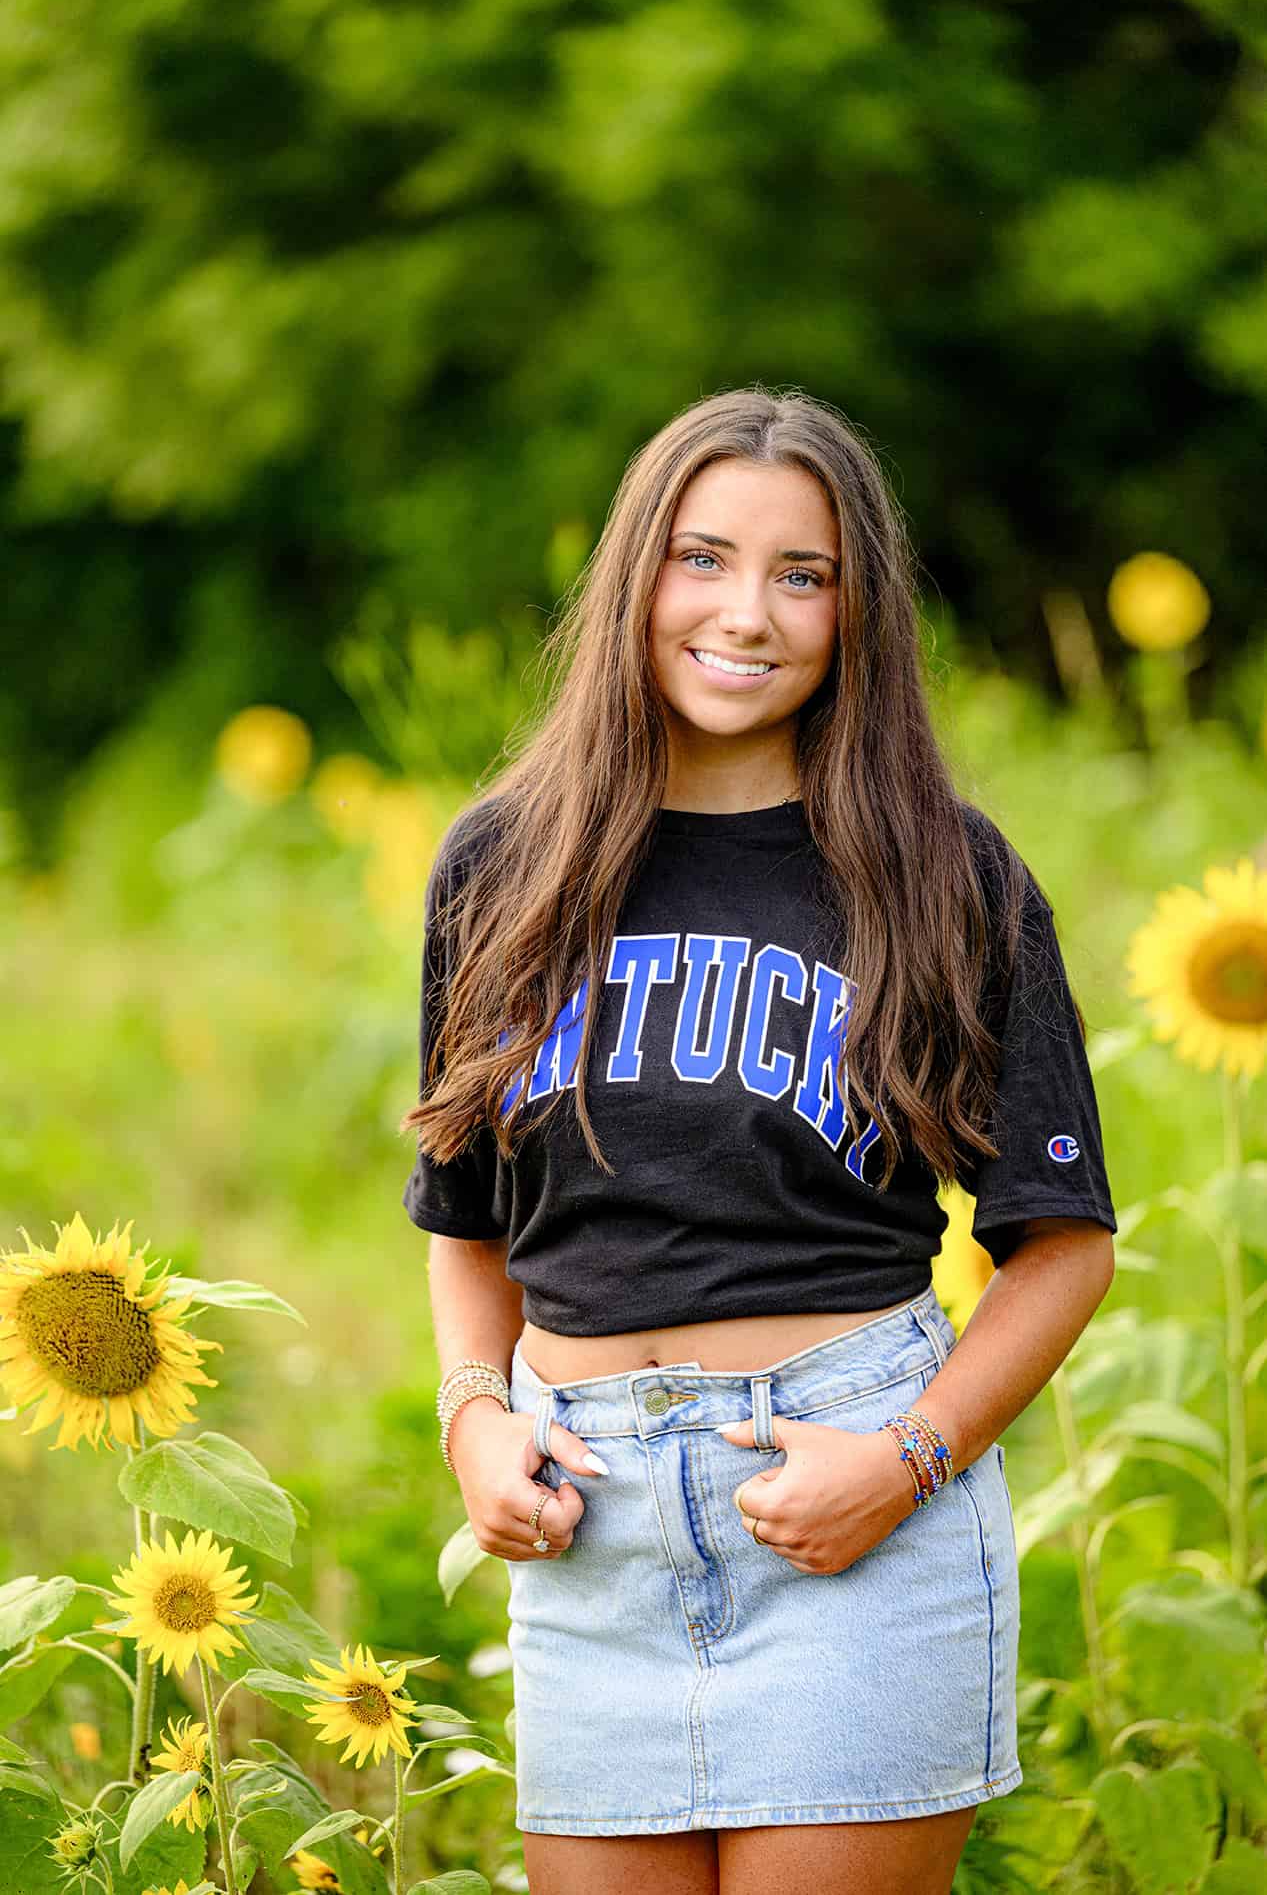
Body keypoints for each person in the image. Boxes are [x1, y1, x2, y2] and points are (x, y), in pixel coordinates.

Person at [400, 387, 1118, 1895]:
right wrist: (474, 1415)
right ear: (634, 583)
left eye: (805, 575)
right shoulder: (505, 866)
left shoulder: (946, 874)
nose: (749, 613)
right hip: (587, 1535)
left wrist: (906, 1460)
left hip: (847, 1506)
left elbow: (1060, 1247)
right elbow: (467, 1216)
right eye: (703, 558)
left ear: (859, 612)